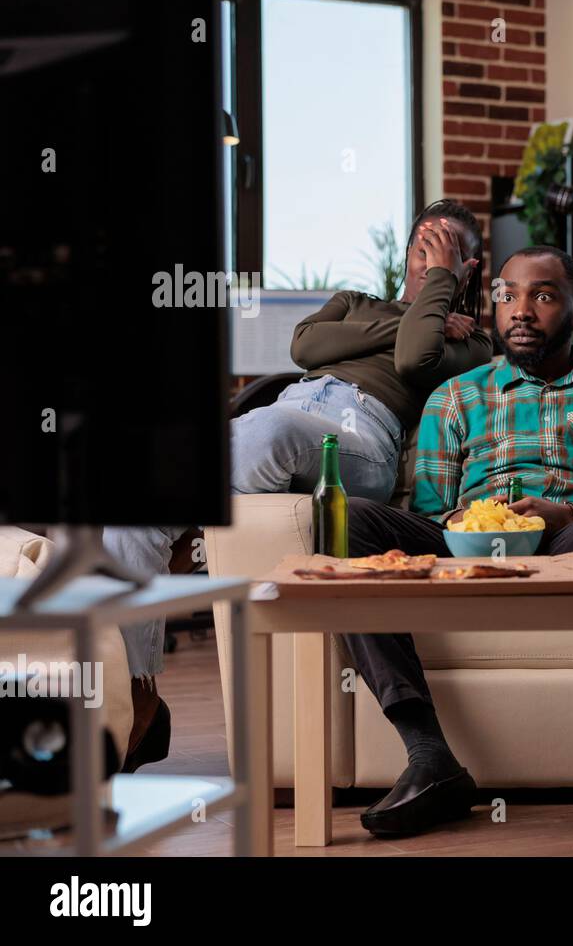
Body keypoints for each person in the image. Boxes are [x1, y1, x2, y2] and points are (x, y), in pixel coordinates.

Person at [102, 200, 493, 773]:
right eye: (423, 241)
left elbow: (413, 360)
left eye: (447, 246)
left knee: (270, 430)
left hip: (358, 438)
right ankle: (140, 700)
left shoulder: (472, 343)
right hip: (284, 417)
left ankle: (195, 546)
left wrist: (435, 292)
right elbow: (305, 346)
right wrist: (413, 313)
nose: (429, 251)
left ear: (470, 267)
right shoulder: (362, 301)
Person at [337, 245, 573, 842]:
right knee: (351, 522)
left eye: (543, 296)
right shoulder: (454, 396)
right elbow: (431, 512)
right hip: (471, 540)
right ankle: (428, 755)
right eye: (506, 295)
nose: (520, 310)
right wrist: (478, 518)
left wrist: (565, 513)